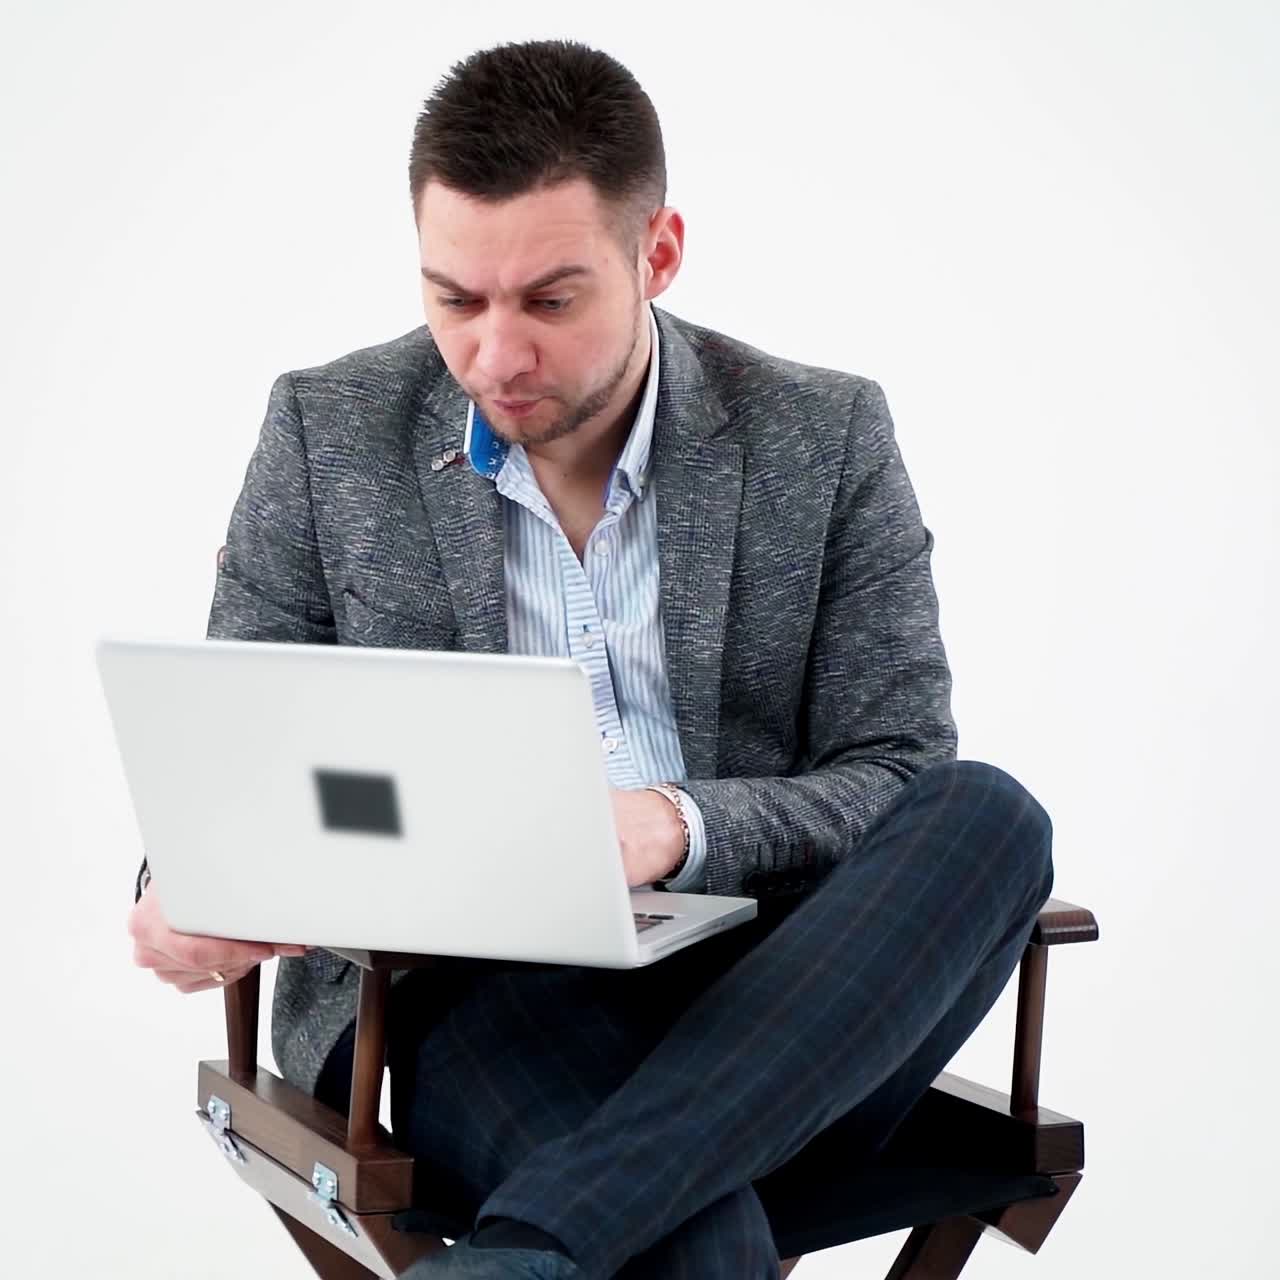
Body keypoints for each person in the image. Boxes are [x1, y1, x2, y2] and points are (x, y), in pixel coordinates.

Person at [125, 38, 1054, 1280]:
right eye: (454, 298)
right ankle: (543, 1246)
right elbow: (238, 745)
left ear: (655, 252)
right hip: (467, 1001)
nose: (495, 356)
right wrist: (184, 886)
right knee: (694, 1238)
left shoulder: (820, 434)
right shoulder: (325, 430)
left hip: (787, 993)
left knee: (988, 813)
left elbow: (891, 771)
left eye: (550, 301)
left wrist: (670, 825)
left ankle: (523, 1250)